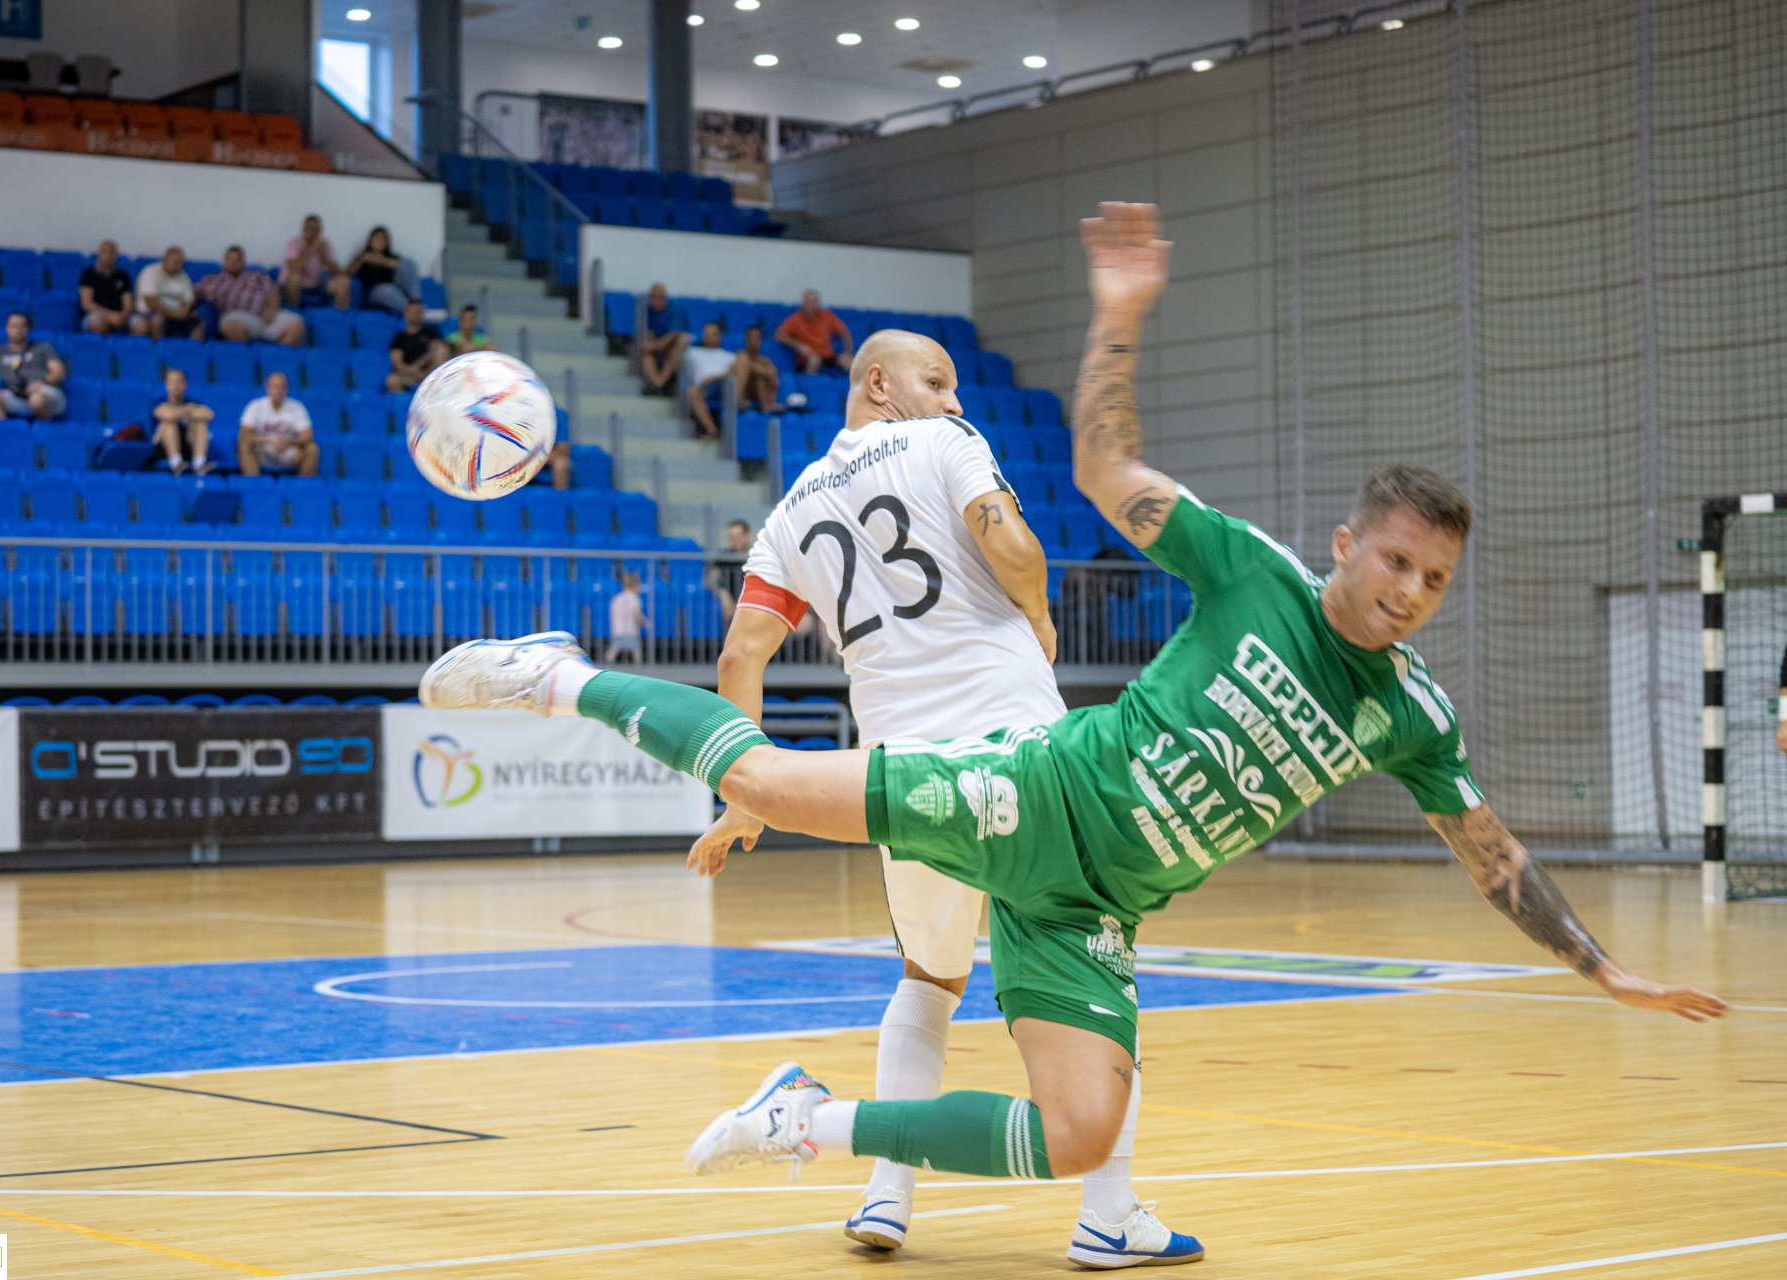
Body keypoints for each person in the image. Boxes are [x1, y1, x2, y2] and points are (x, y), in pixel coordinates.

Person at [416, 203, 1728, 1267]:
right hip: (1029, 788)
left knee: (1079, 1122)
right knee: (763, 775)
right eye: (1394, 562)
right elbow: (1099, 478)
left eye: (1433, 581)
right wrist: (1116, 322)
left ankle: (816, 1130)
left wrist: (1599, 967)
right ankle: (555, 676)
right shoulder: (1246, 567)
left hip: (1098, 899)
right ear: (1348, 545)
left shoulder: (1411, 712)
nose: (1407, 592)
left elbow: (1488, 851)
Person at [684, 326, 1107, 1255]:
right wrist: (1036, 615)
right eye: (937, 380)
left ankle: (887, 1197)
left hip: (905, 779)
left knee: (928, 980)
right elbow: (1015, 544)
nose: (956, 401)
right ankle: (1110, 1218)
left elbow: (738, 656)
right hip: (1020, 750)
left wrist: (745, 797)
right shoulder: (944, 444)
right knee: (1092, 963)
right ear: (879, 384)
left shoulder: (789, 511)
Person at [0, 313, 67, 421]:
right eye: (14, 326)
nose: (18, 330)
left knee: (36, 400)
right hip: (17, 393)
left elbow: (59, 372)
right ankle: (3, 433)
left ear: (28, 329)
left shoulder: (43, 347)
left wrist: (42, 382)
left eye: (22, 326)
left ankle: (44, 433)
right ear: (7, 328)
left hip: (45, 391)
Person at [197, 246, 305, 346]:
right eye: (229, 259)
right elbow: (195, 292)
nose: (233, 263)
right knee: (228, 325)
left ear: (243, 261)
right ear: (224, 262)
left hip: (263, 317)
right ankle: (249, 358)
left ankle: (276, 359)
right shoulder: (214, 281)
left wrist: (271, 310)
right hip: (236, 318)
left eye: (237, 259)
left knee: (296, 324)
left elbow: (273, 292)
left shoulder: (257, 276)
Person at [238, 371, 319, 478]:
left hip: (287, 450)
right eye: (274, 386)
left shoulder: (297, 407)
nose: (278, 390)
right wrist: (269, 440)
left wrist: (286, 442)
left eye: (281, 387)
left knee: (312, 449)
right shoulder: (255, 406)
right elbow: (244, 435)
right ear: (267, 388)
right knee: (244, 445)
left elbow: (307, 436)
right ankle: (253, 486)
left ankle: (303, 488)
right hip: (263, 450)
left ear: (286, 389)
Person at [152, 367, 215, 476]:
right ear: (166, 385)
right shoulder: (158, 401)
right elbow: (168, 415)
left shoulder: (193, 401)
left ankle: (199, 464)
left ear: (185, 384)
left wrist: (179, 412)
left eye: (179, 382)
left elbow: (208, 414)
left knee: (200, 422)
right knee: (169, 423)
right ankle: (176, 463)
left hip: (187, 445)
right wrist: (189, 409)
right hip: (163, 448)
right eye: (172, 382)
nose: (176, 386)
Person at [282, 214, 351, 310]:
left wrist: (323, 256)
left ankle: (337, 317)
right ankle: (294, 313)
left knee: (343, 281)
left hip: (316, 284)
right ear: (304, 228)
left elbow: (336, 272)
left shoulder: (325, 244)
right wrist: (312, 249)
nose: (313, 231)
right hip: (295, 283)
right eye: (310, 228)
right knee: (295, 278)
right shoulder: (294, 243)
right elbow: (293, 269)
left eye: (316, 229)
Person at [775, 289, 853, 374]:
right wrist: (798, 345)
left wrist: (848, 352)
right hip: (809, 357)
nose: (812, 305)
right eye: (809, 302)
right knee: (814, 361)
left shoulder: (827, 315)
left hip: (828, 356)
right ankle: (809, 385)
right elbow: (779, 335)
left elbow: (845, 332)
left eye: (815, 302)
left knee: (850, 362)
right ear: (803, 304)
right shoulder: (796, 319)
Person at [135, 246, 204, 340]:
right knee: (157, 320)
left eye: (181, 263)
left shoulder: (183, 276)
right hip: (152, 312)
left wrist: (185, 311)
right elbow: (151, 302)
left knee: (199, 325)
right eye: (175, 262)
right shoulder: (150, 272)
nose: (179, 265)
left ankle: (192, 352)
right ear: (165, 259)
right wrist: (175, 313)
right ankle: (159, 352)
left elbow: (189, 300)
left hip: (178, 313)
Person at [681, 321, 734, 441]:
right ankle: (712, 430)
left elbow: (734, 373)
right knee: (692, 392)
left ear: (719, 335)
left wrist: (714, 378)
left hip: (726, 385)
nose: (709, 336)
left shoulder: (730, 356)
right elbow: (677, 361)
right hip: (704, 388)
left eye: (713, 333)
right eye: (707, 334)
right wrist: (682, 342)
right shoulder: (692, 352)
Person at [78, 239, 142, 337]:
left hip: (120, 314)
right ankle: (103, 351)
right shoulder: (88, 274)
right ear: (98, 254)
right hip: (97, 313)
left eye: (112, 252)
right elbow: (86, 304)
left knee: (141, 325)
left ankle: (128, 350)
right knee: (98, 323)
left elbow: (128, 303)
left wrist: (123, 316)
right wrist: (111, 315)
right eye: (105, 252)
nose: (108, 256)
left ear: (117, 255)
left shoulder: (122, 276)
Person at [639, 282, 691, 395]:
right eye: (652, 297)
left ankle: (660, 383)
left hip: (672, 346)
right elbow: (648, 333)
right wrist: (651, 344)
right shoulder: (648, 311)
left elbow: (672, 336)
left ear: (664, 297)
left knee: (681, 342)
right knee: (645, 352)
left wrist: (654, 345)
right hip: (658, 345)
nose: (653, 300)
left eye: (657, 297)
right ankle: (656, 384)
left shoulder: (676, 309)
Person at [386, 300, 448, 392]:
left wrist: (419, 366)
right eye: (412, 312)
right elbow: (397, 362)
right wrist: (411, 371)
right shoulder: (399, 338)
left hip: (430, 374)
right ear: (406, 313)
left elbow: (439, 349)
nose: (415, 314)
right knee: (391, 380)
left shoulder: (431, 332)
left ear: (422, 313)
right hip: (408, 375)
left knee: (441, 351)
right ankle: (404, 404)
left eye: (418, 311)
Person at [347, 226, 409, 314]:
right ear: (370, 240)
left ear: (387, 242)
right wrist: (362, 260)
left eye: (382, 239)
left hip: (394, 290)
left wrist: (380, 260)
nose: (379, 241)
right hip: (371, 294)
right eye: (376, 238)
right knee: (386, 290)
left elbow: (404, 268)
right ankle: (413, 312)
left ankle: (415, 304)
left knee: (408, 263)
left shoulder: (391, 257)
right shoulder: (362, 256)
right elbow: (349, 273)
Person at [706, 518, 753, 618]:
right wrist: (723, 593)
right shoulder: (725, 558)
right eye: (732, 538)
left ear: (747, 536)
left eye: (738, 537)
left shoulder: (757, 556)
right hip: (731, 606)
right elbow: (710, 580)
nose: (735, 542)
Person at [734, 324, 780, 413]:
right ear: (746, 340)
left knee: (762, 377)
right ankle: (737, 400)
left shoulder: (764, 360)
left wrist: (770, 373)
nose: (754, 341)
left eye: (757, 338)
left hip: (758, 394)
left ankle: (769, 405)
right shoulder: (740, 355)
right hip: (744, 392)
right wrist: (767, 372)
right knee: (761, 374)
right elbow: (756, 369)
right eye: (751, 338)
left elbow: (773, 375)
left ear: (760, 340)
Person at [606, 571, 649, 664]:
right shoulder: (634, 598)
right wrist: (646, 623)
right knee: (636, 650)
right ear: (635, 585)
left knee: (614, 649)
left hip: (618, 630)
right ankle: (639, 667)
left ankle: (607, 666)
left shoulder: (617, 598)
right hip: (630, 630)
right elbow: (637, 614)